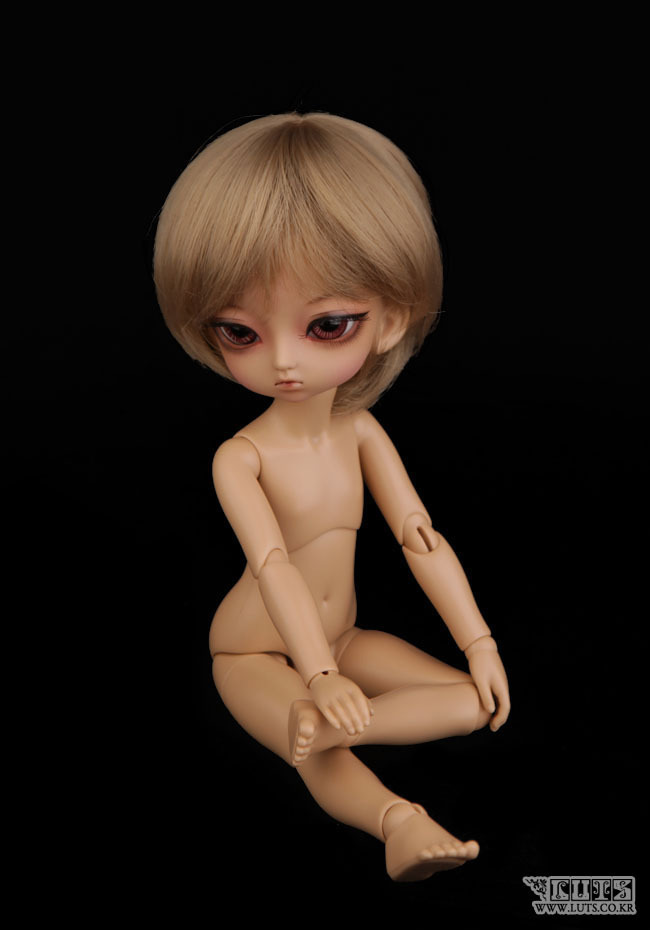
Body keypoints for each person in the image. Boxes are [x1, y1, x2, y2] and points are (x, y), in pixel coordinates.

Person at [153, 112, 510, 882]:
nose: (284, 361)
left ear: (391, 320)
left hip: (343, 640)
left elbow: (420, 537)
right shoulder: (241, 457)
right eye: (241, 332)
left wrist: (478, 642)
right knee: (312, 745)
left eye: (327, 325)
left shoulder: (361, 431)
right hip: (253, 651)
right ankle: (399, 823)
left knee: (472, 702)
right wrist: (317, 677)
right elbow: (273, 567)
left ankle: (333, 724)